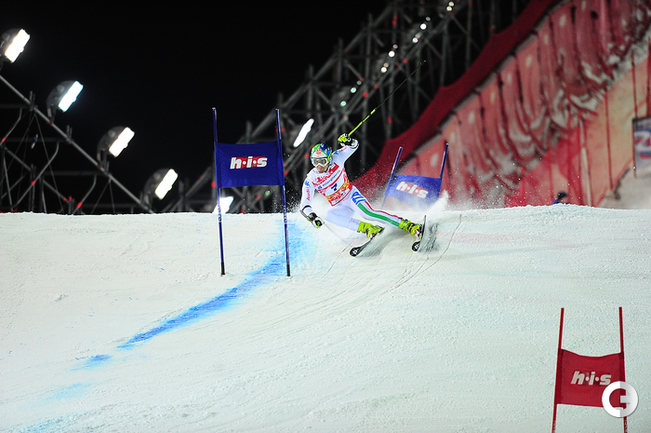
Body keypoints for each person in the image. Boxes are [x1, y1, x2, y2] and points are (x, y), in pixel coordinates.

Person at [299, 133, 421, 239]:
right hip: (339, 206)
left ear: (329, 158)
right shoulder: (311, 179)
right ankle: (369, 229)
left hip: (351, 196)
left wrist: (348, 141)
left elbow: (353, 146)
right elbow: (304, 205)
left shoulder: (337, 158)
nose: (319, 166)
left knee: (367, 214)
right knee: (330, 216)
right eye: (315, 161)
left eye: (322, 161)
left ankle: (407, 225)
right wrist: (312, 217)